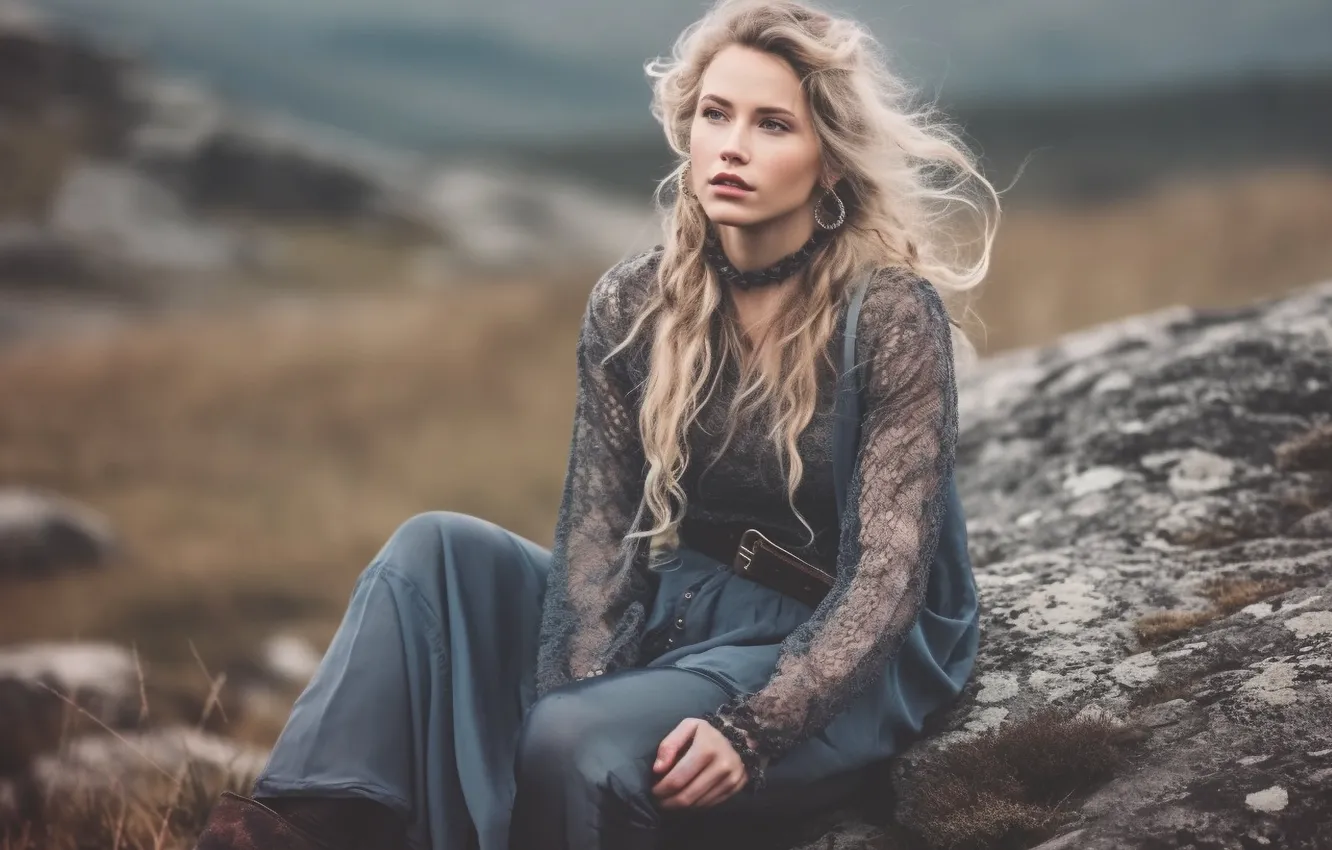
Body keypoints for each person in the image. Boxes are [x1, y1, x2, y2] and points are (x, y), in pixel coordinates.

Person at [192, 0, 998, 848]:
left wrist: (754, 728)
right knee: (429, 554)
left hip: (825, 639)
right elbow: (601, 531)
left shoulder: (889, 315)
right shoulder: (636, 300)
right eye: (715, 114)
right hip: (684, 605)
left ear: (828, 161)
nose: (732, 146)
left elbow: (888, 575)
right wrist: (581, 687)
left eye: (772, 125)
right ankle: (295, 831)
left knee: (575, 744)